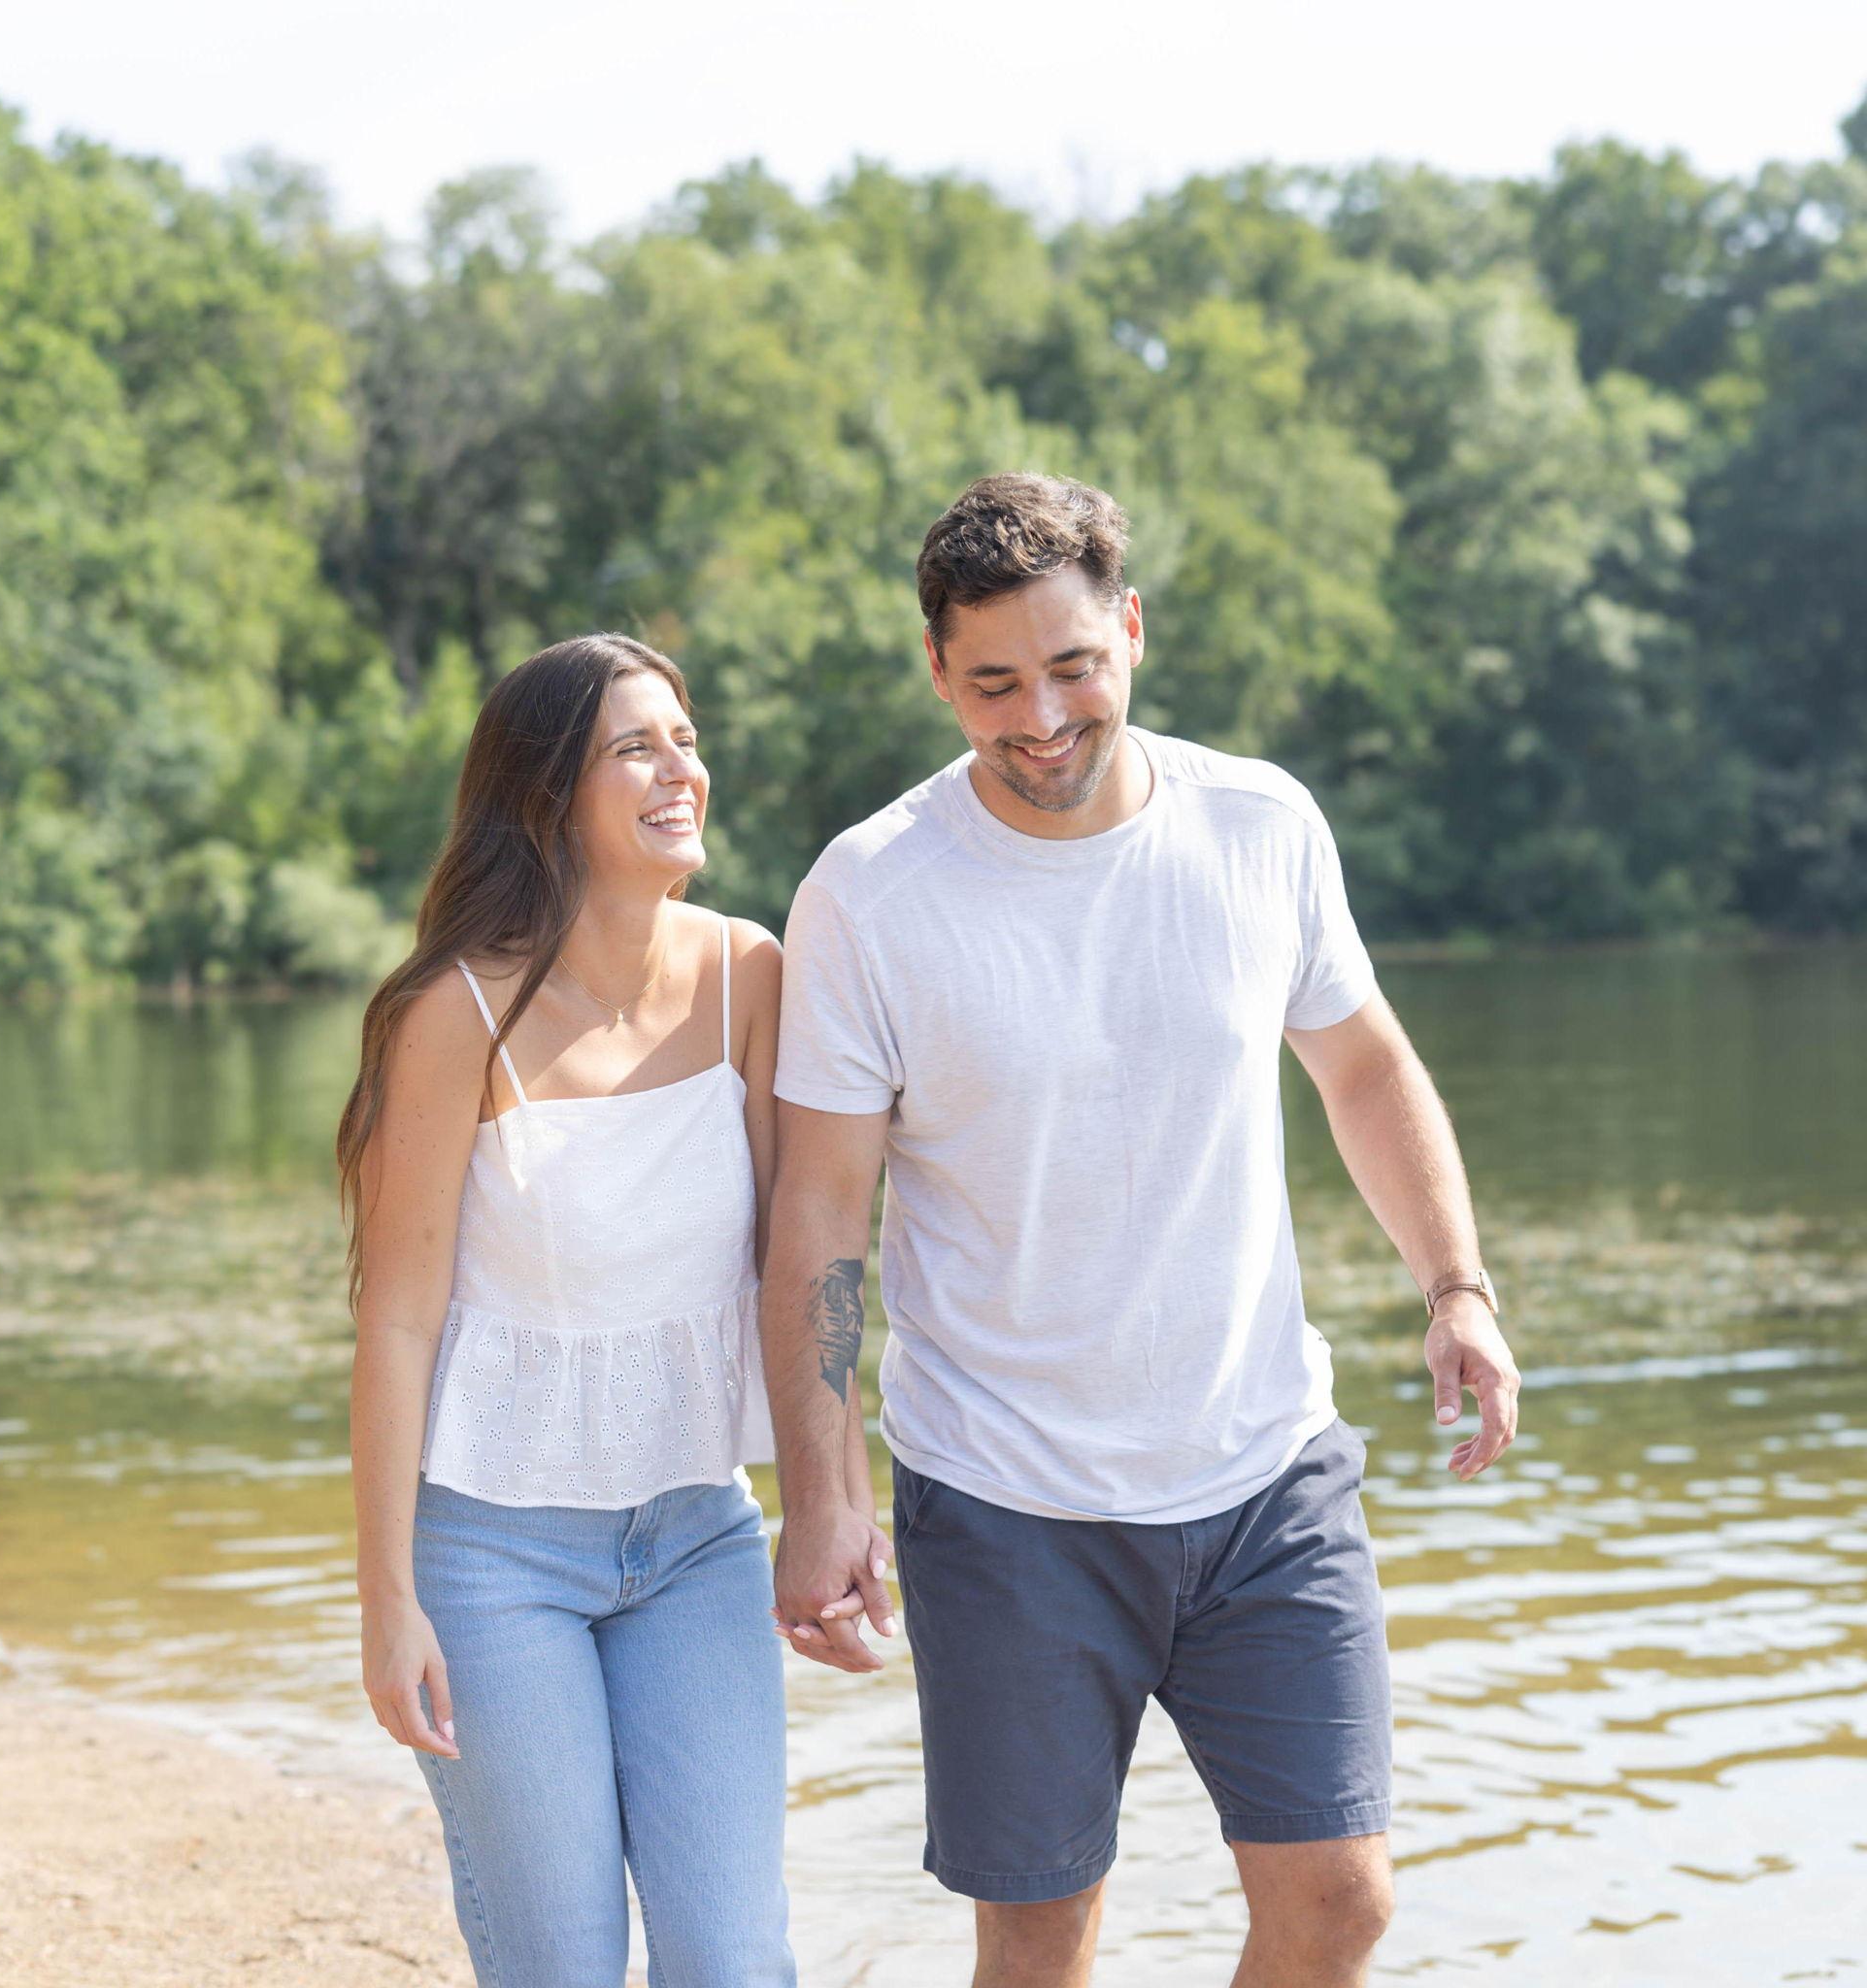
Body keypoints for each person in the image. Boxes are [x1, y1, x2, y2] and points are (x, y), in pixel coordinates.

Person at [762, 475, 1521, 1988]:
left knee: (1341, 1901)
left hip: (1265, 1473)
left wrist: (1457, 1286)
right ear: (937, 672)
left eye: (1072, 667)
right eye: (995, 683)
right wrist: (826, 1492)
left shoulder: (1260, 823)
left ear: (1131, 632)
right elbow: (820, 1217)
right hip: (1007, 1498)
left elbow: (1363, 1067)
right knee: (1044, 1934)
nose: (1042, 717)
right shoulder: (871, 892)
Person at [339, 633, 874, 1987]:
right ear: (546, 796)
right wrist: (387, 1601)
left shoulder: (750, 972)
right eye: (635, 748)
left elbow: (805, 1258)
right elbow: (395, 1321)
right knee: (560, 1966)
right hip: (492, 1557)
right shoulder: (453, 1013)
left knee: (733, 1960)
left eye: (684, 739)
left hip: (696, 1537)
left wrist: (836, 1500)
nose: (679, 768)